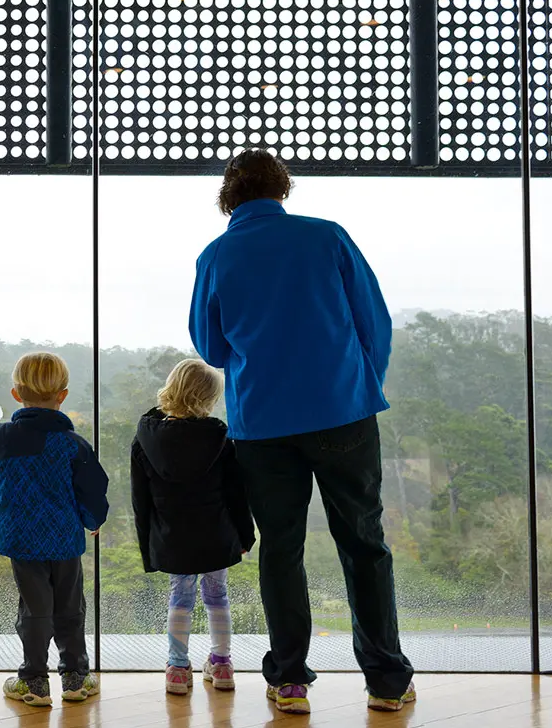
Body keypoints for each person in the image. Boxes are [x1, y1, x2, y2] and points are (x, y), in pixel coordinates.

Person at [189, 150, 415, 715]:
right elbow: (375, 322)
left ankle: (289, 681)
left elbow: (212, 348)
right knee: (364, 543)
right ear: (282, 189)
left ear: (228, 197)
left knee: (282, 550)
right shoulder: (328, 238)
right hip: (343, 410)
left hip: (262, 425)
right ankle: (386, 682)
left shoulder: (215, 256)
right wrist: (360, 383)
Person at [0, 352, 109, 708]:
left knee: (34, 609)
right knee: (70, 606)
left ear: (15, 394)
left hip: (22, 540)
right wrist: (93, 519)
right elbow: (93, 487)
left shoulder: (3, 438)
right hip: (65, 540)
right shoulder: (73, 444)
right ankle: (75, 678)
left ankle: (34, 682)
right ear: (62, 395)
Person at [130, 359, 255, 697]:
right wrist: (246, 535)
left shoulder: (145, 440)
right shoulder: (220, 440)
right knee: (217, 597)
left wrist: (148, 548)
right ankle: (222, 663)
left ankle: (177, 668)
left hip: (173, 539)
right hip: (216, 536)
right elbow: (236, 495)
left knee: (180, 599)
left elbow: (141, 502)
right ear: (210, 398)